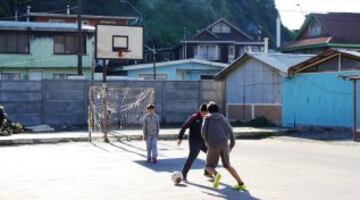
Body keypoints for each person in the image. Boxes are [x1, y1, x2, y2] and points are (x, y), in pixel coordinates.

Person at [201, 102, 246, 191]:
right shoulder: (223, 118)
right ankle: (241, 184)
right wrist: (231, 145)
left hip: (213, 143)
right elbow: (231, 131)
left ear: (209, 110)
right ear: (218, 109)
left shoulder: (207, 118)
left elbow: (203, 132)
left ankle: (216, 175)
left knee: (208, 166)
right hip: (224, 143)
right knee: (227, 165)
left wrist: (207, 141)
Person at [177, 104, 212, 181]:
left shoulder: (208, 118)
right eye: (204, 113)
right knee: (192, 157)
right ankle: (183, 174)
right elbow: (184, 127)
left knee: (211, 154)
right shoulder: (194, 117)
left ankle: (207, 171)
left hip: (203, 141)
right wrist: (180, 138)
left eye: (207, 113)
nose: (205, 115)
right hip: (194, 141)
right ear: (201, 111)